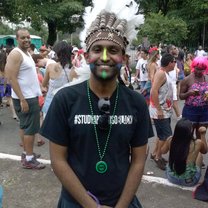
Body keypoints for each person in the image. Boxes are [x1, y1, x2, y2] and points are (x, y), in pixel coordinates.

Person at [40, 1, 153, 207]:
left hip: (123, 202)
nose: (104, 57)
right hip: (75, 202)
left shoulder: (136, 102)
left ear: (124, 58)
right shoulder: (65, 99)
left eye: (113, 50)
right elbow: (58, 160)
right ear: (86, 56)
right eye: (97, 49)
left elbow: (138, 161)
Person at [5, 28, 45, 169]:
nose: (27, 39)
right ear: (17, 39)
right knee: (30, 128)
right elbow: (11, 78)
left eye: (28, 37)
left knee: (24, 126)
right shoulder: (16, 54)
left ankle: (27, 153)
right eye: (23, 37)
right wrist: (22, 99)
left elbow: (27, 75)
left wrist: (39, 88)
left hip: (29, 95)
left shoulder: (26, 52)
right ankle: (29, 159)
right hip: (26, 98)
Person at [149, 53, 176, 170]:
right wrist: (159, 109)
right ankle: (158, 157)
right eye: (174, 61)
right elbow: (153, 91)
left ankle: (155, 153)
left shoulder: (166, 73)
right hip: (160, 111)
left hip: (165, 110)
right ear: (170, 63)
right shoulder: (160, 73)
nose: (175, 63)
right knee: (165, 136)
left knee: (161, 135)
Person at [165, 118, 208, 187]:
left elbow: (163, 151)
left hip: (171, 178)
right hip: (189, 182)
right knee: (199, 155)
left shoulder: (170, 140)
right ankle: (193, 173)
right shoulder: (197, 143)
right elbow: (205, 151)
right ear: (190, 131)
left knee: (174, 156)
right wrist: (202, 134)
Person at [179, 56, 208, 139]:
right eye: (197, 68)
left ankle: (198, 152)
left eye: (202, 69)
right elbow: (181, 96)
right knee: (188, 135)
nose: (199, 71)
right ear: (193, 67)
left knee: (201, 134)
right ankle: (189, 151)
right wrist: (189, 93)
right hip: (190, 110)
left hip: (205, 110)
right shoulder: (187, 80)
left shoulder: (207, 78)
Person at [41, 41, 72, 118]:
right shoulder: (74, 70)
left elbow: (44, 84)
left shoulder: (50, 67)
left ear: (58, 53)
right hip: (67, 104)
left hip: (50, 102)